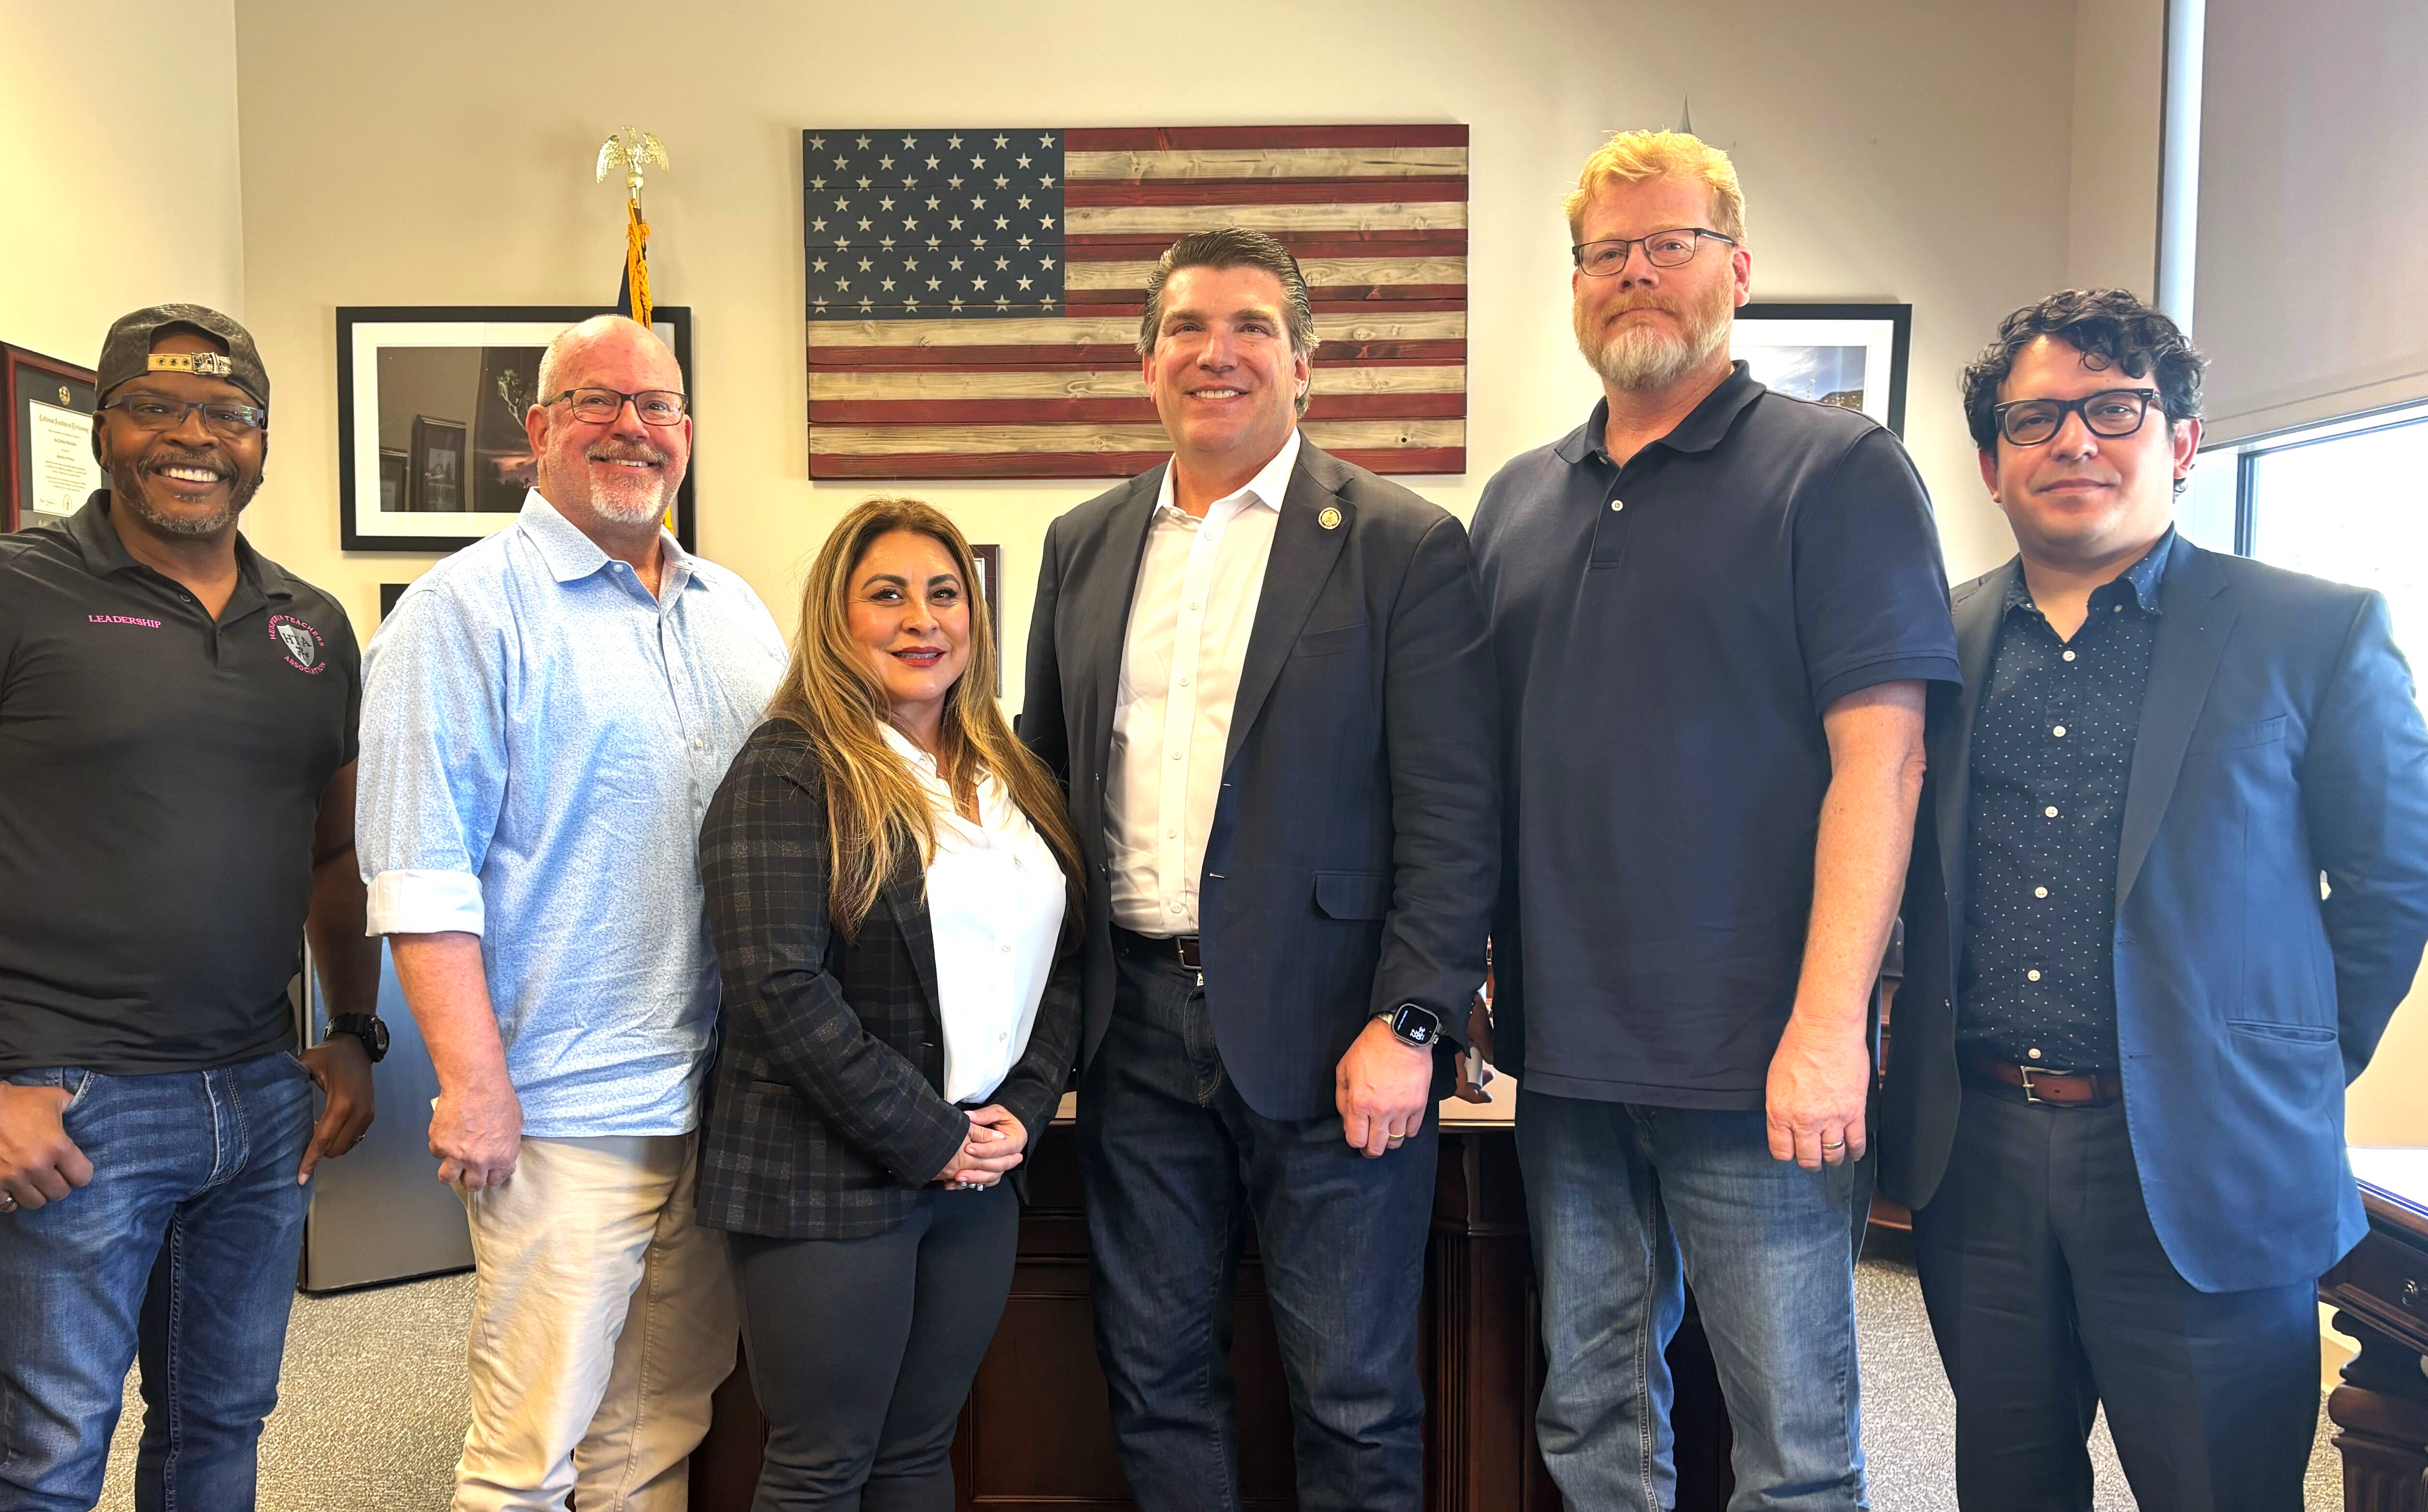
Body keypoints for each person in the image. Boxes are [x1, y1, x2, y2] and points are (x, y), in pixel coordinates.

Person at [0, 304, 381, 1512]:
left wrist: (352, 1033)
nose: (192, 437)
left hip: (262, 1095)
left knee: (222, 1425)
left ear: (262, 443)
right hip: (68, 1108)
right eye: (155, 407)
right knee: (46, 1451)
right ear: (102, 426)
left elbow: (336, 850)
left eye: (227, 413)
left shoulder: (311, 627)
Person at [1469, 129, 1959, 1510]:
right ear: (1573, 287)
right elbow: (1494, 772)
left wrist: (1824, 1026)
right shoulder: (1514, 501)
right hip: (1564, 1059)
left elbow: (1887, 761)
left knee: (1792, 1448)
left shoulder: (1836, 470)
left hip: (1760, 1066)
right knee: (1592, 1415)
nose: (1636, 274)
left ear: (1735, 270)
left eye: (1669, 244)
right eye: (1605, 253)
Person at [1881, 289, 2428, 1509]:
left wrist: (2285, 1066)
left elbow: (2395, 880)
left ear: (2178, 442)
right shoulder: (1932, 643)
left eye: (2112, 409)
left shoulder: (2313, 631)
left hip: (2208, 1157)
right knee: (2008, 1486)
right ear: (1988, 463)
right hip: (1978, 1152)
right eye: (2035, 420)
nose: (2073, 441)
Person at [1018, 227, 1497, 1511]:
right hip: (1133, 1031)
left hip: (1336, 1031)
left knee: (1350, 1395)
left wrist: (1415, 1018)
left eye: (1246, 327)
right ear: (1146, 364)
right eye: (1184, 327)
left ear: (1302, 365)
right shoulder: (1082, 542)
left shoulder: (1401, 543)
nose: (1213, 351)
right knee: (1157, 1377)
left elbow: (1453, 815)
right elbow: (1042, 791)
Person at [356, 313, 785, 1512]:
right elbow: (420, 871)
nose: (629, 427)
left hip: (719, 1096)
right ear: (538, 430)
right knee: (524, 1450)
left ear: (686, 437)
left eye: (655, 407)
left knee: (657, 1423)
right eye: (596, 402)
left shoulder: (734, 612)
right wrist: (472, 1081)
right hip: (562, 1107)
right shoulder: (463, 611)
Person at [697, 496, 1082, 1511]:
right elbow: (777, 988)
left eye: (944, 593)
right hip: (825, 1175)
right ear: (838, 616)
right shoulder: (788, 769)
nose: (923, 618)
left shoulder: (1010, 772)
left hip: (976, 1174)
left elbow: (1064, 957)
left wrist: (1022, 1110)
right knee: (822, 1459)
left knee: (918, 1451)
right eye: (888, 594)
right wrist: (931, 1135)